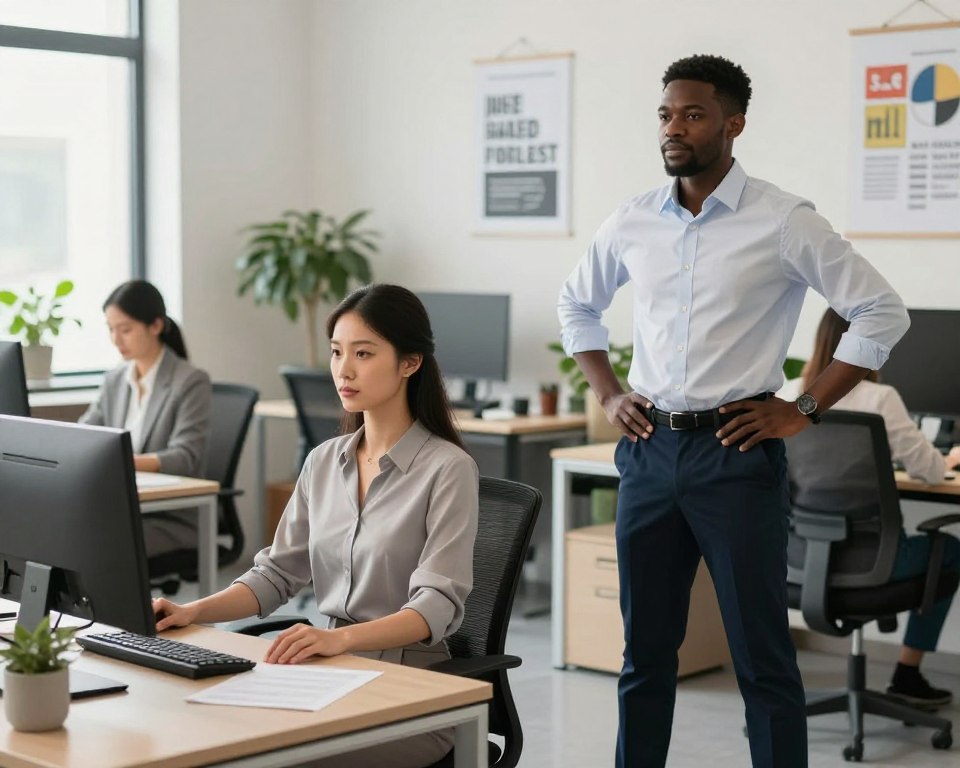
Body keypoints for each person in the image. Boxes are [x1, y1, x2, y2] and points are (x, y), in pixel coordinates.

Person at [557, 54, 910, 768]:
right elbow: (577, 305)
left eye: (692, 114)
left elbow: (881, 312)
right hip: (651, 451)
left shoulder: (783, 221)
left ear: (732, 124)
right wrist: (608, 391)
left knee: (762, 658)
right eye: (665, 114)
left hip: (736, 453)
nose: (674, 128)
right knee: (645, 654)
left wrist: (804, 406)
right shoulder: (632, 221)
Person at [153, 284, 479, 768]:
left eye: (363, 354)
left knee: (267, 756)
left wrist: (338, 638)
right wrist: (193, 611)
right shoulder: (324, 461)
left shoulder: (447, 469)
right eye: (336, 352)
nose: (343, 370)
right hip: (325, 673)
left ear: (410, 363)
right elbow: (277, 576)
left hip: (413, 693)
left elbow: (434, 607)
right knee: (197, 733)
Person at [797, 307, 960, 708]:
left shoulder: (785, 395)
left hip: (798, 560)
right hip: (874, 563)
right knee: (951, 550)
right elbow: (929, 470)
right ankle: (907, 674)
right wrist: (950, 459)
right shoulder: (881, 398)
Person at [80, 279, 211, 557]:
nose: (116, 340)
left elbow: (185, 457)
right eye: (111, 329)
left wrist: (120, 460)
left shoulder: (189, 381)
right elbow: (84, 434)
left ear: (156, 326)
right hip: (122, 507)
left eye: (125, 330)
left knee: (97, 539)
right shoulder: (115, 379)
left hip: (169, 517)